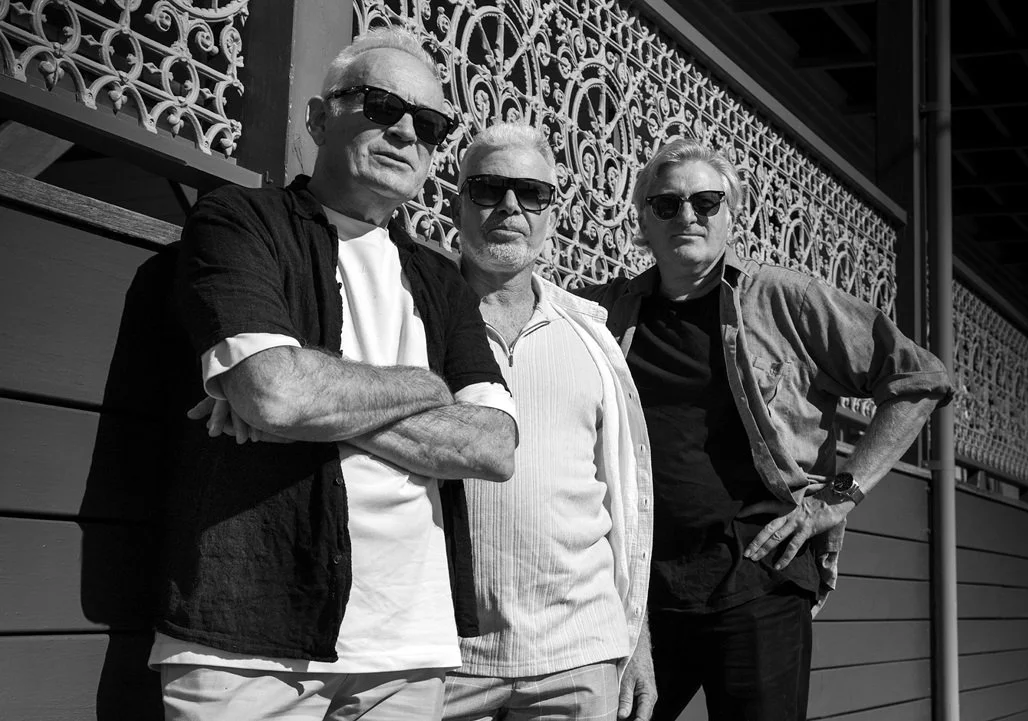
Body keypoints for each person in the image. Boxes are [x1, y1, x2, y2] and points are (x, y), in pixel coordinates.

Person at [153, 28, 517, 720]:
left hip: (408, 649)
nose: (406, 132)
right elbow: (277, 392)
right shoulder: (240, 219)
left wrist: (318, 402)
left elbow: (494, 446)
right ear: (319, 119)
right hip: (250, 638)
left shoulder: (443, 281)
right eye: (382, 106)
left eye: (429, 124)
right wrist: (426, 386)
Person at [578, 137, 954, 721]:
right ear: (642, 221)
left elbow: (918, 379)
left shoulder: (785, 299)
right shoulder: (605, 314)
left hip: (760, 575)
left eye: (706, 202)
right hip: (642, 589)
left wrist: (839, 496)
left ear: (731, 215)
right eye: (666, 204)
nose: (687, 216)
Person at [440, 122, 656, 721]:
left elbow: (624, 506)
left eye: (532, 193)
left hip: (579, 657)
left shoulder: (592, 337)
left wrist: (633, 638)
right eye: (489, 188)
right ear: (457, 203)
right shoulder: (417, 316)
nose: (511, 206)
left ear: (551, 216)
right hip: (445, 658)